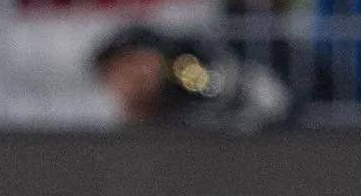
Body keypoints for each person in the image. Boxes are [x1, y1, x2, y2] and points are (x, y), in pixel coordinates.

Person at [91, 21, 290, 130]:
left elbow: (273, 102)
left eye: (144, 62)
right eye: (126, 64)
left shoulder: (197, 118)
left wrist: (227, 85)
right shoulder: (92, 122)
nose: (137, 73)